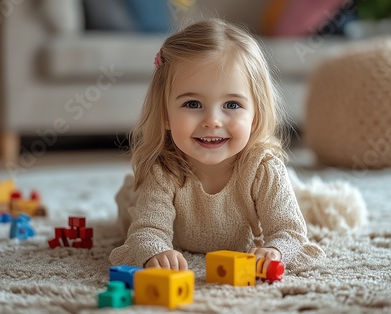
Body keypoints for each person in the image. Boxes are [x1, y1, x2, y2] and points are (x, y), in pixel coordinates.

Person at [109, 18, 325, 274]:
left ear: (255, 115)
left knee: (294, 203)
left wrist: (275, 250)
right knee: (129, 209)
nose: (212, 121)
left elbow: (290, 232)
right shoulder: (164, 170)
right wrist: (156, 251)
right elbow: (147, 230)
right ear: (166, 115)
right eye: (193, 104)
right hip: (151, 202)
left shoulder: (263, 168)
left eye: (232, 105)